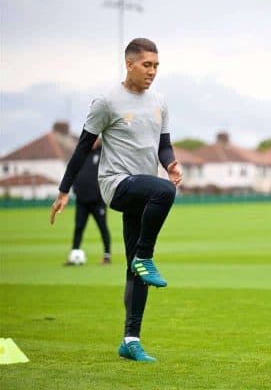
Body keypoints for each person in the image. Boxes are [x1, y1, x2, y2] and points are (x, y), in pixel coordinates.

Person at [50, 38, 182, 362]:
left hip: (143, 187)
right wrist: (64, 189)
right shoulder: (107, 101)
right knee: (165, 191)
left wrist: (171, 163)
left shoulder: (160, 101)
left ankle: (130, 340)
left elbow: (163, 145)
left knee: (134, 271)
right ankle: (145, 256)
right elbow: (83, 147)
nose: (152, 72)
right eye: (147, 65)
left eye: (156, 66)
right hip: (116, 184)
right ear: (130, 64)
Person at [65, 137, 112, 265]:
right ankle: (74, 255)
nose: (93, 141)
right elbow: (73, 172)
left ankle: (107, 256)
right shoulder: (81, 154)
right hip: (82, 200)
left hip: (98, 201)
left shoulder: (103, 155)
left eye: (95, 138)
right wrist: (74, 188)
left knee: (103, 228)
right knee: (78, 228)